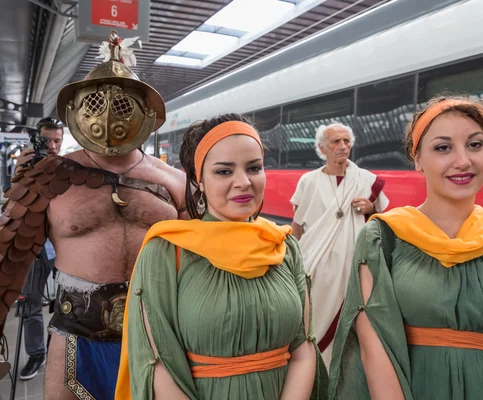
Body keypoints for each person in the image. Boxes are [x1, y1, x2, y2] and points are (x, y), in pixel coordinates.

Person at [0, 31, 186, 400]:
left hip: (160, 333)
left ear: (146, 112)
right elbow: (5, 259)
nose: (108, 112)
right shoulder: (48, 176)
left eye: (122, 105)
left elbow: (202, 262)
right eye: (96, 101)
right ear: (77, 109)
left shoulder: (174, 180)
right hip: (76, 335)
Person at [329, 96, 483, 399]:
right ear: (417, 159)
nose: (462, 161)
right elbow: (373, 346)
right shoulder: (383, 239)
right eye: (443, 147)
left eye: (475, 145)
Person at [115, 114, 328, 399]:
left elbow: (303, 348)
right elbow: (157, 363)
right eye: (224, 172)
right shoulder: (167, 250)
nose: (243, 182)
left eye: (254, 168)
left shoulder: (284, 245)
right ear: (199, 180)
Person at [289, 122, 389, 367]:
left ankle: (346, 368)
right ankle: (314, 364)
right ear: (322, 148)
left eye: (346, 141)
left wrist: (371, 208)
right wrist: (291, 260)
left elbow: (385, 221)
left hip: (352, 264)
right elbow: (298, 226)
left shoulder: (366, 180)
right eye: (336, 142)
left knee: (356, 315)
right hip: (316, 268)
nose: (343, 146)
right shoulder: (308, 181)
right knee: (315, 315)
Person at [15, 117, 63, 381]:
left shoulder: (69, 168)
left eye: (57, 140)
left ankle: (65, 353)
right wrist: (19, 173)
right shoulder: (26, 166)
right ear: (36, 140)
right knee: (31, 304)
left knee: (73, 302)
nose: (53, 146)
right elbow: (13, 203)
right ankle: (36, 354)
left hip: (64, 246)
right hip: (34, 247)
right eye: (47, 140)